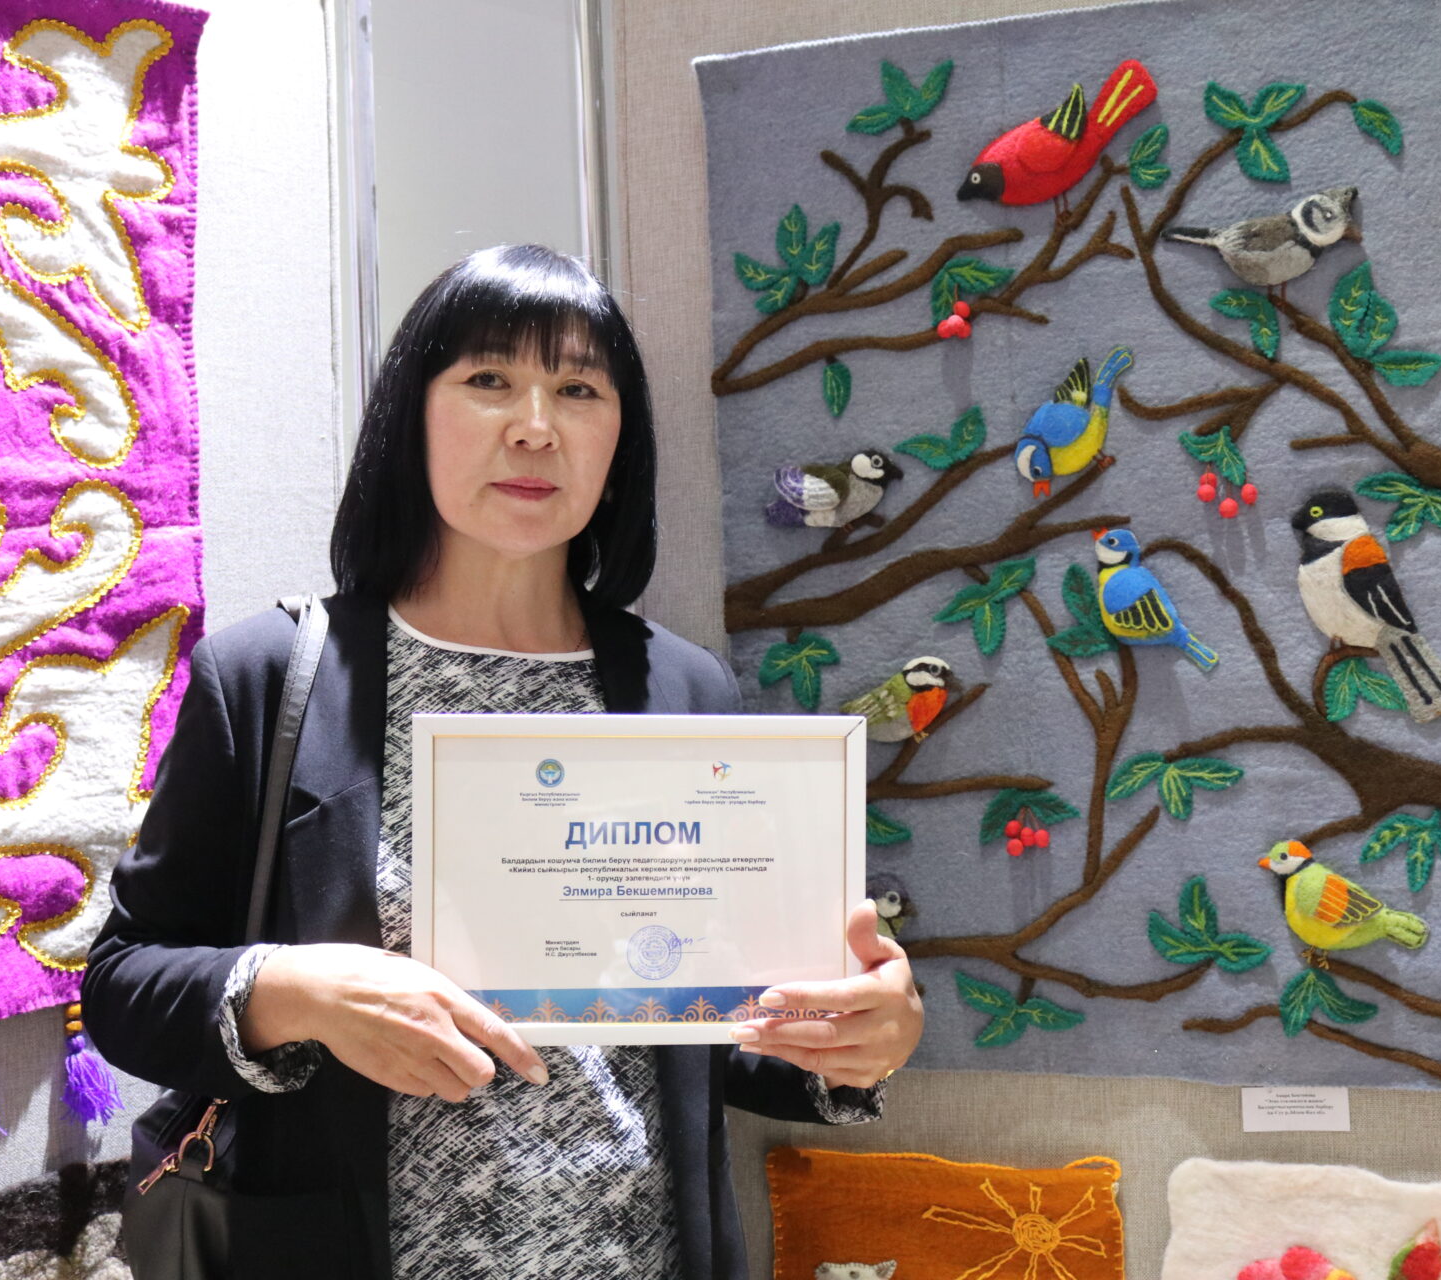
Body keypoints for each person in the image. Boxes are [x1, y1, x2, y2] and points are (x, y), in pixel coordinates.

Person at [84, 245, 924, 1280]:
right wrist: (296, 991)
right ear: (411, 414)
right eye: (488, 378)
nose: (535, 424)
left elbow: (702, 1014)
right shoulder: (268, 676)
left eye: (578, 389)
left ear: (619, 438)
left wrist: (854, 1037)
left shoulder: (683, 686)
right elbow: (122, 984)